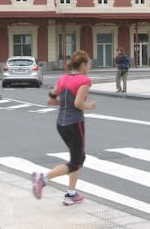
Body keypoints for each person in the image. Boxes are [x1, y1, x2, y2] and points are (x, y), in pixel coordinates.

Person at [32, 50, 97, 206]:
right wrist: (90, 106)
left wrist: (64, 102)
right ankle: (43, 178)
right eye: (88, 64)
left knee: (78, 157)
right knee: (76, 161)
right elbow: (78, 104)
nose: (89, 67)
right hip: (75, 124)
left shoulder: (63, 79)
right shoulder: (84, 81)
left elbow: (51, 100)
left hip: (61, 124)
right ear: (82, 65)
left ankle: (71, 194)